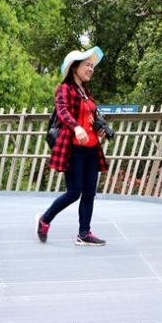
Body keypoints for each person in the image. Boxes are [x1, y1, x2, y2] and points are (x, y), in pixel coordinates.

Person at [36, 46, 109, 246]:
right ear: (74, 67)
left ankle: (84, 233)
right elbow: (62, 111)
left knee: (89, 193)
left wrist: (100, 130)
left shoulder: (86, 93)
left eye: (92, 66)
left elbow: (92, 118)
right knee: (74, 192)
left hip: (92, 149)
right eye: (87, 65)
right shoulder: (64, 89)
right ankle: (45, 219)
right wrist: (76, 127)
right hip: (74, 149)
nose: (91, 69)